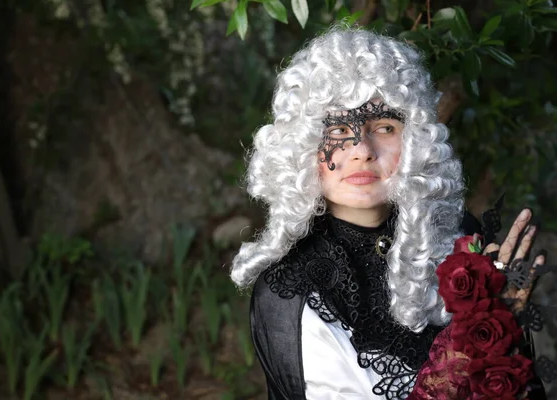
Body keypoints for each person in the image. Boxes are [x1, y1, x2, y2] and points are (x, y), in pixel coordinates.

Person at [230, 26, 550, 399]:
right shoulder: (294, 291)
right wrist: (472, 342)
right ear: (303, 147)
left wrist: (504, 326)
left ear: (415, 140)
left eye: (383, 126)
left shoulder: (456, 235)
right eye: (336, 128)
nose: (361, 149)